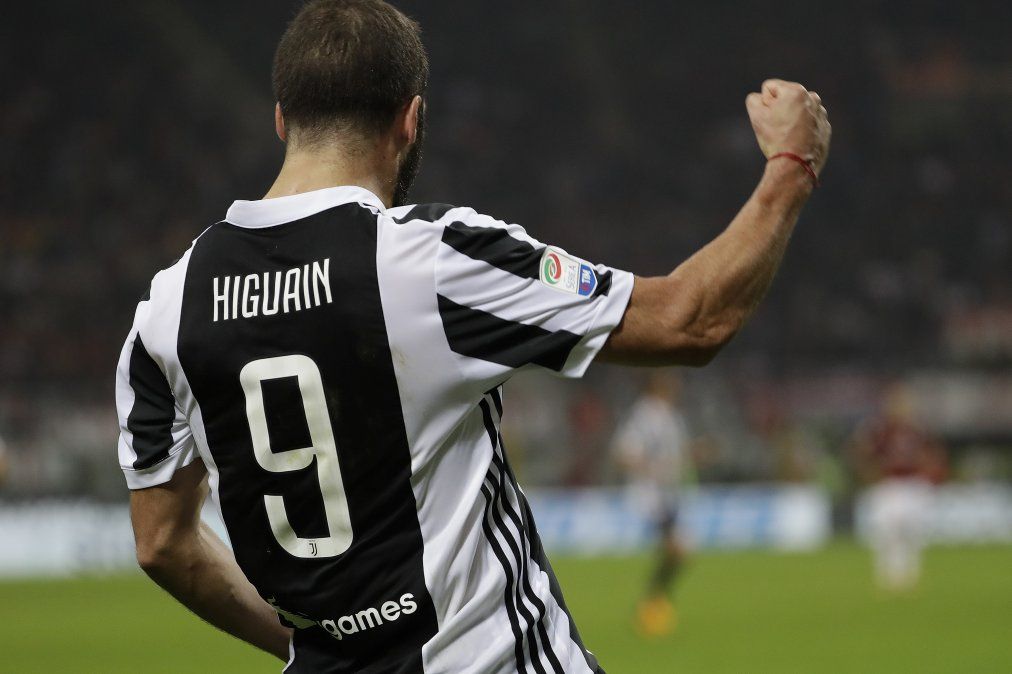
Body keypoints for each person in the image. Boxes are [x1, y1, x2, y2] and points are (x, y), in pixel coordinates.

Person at [116, 1, 831, 671]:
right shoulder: (430, 259)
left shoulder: (165, 311)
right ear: (410, 119)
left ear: (281, 119)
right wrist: (790, 169)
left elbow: (162, 544)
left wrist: (319, 649)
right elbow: (689, 321)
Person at [612, 374, 695, 636]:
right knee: (678, 550)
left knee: (680, 552)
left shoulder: (671, 416)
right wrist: (651, 468)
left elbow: (676, 455)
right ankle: (652, 604)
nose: (676, 387)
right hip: (651, 496)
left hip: (669, 494)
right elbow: (623, 453)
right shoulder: (644, 415)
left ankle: (653, 602)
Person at [852, 385, 947, 592]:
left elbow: (931, 453)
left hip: (912, 484)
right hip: (889, 484)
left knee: (912, 532)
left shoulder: (917, 428)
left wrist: (929, 475)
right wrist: (870, 474)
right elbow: (864, 453)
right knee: (887, 532)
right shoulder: (881, 429)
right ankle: (889, 577)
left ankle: (910, 577)